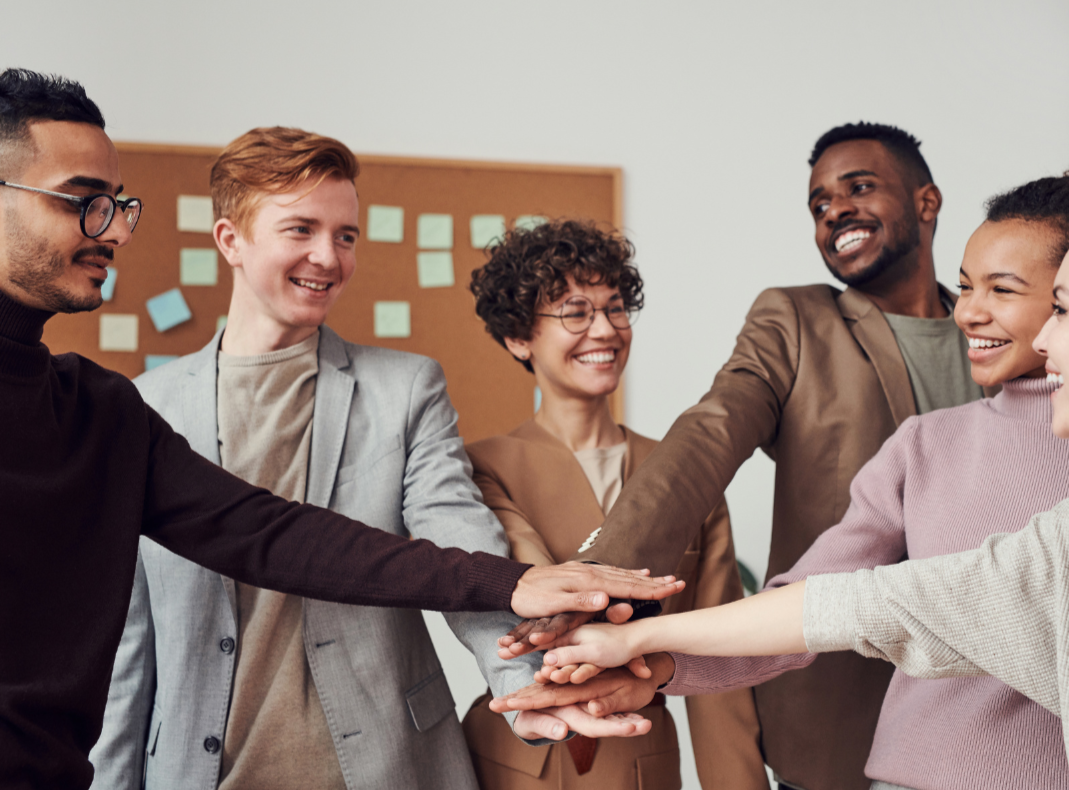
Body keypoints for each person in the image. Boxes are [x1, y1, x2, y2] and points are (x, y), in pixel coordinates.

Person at [0, 68, 681, 790]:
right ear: (231, 240)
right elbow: (132, 640)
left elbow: (278, 535)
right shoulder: (150, 401)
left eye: (114, 205)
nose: (109, 229)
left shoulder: (97, 411)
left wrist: (517, 602)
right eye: (81, 202)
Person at [497, 183, 1069, 789]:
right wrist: (642, 653)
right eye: (967, 285)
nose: (971, 314)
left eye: (1052, 306)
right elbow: (851, 602)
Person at [501, 121, 988, 789]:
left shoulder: (997, 337)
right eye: (818, 204)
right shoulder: (795, 319)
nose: (834, 211)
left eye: (859, 188)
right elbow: (710, 434)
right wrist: (600, 574)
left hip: (989, 703)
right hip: (839, 712)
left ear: (925, 202)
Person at [461, 219, 768, 790]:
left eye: (616, 307)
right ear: (518, 338)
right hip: (512, 762)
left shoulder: (685, 469)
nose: (604, 329)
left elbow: (722, 653)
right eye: (575, 312)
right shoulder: (479, 467)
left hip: (641, 759)